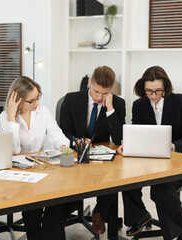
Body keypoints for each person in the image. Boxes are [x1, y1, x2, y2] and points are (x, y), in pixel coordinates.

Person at [116, 66, 182, 240]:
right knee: (125, 177)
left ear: (165, 88)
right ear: (143, 89)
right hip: (152, 161)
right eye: (149, 91)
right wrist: (127, 144)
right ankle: (139, 216)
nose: (153, 95)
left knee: (160, 189)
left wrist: (172, 146)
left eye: (158, 91)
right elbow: (137, 132)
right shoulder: (139, 105)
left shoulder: (180, 102)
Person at [0, 76, 70, 240]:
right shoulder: (4, 118)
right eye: (31, 101)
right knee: (33, 204)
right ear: (17, 99)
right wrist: (11, 117)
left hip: (39, 167)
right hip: (16, 173)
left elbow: (55, 133)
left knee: (56, 198)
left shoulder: (42, 111)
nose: (36, 103)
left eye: (38, 98)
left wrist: (63, 146)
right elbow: (13, 150)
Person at [59, 65, 126, 234]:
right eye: (96, 92)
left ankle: (100, 213)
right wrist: (76, 141)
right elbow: (63, 131)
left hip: (100, 155)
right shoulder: (71, 99)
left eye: (105, 93)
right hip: (74, 152)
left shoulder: (118, 103)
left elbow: (119, 139)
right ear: (89, 82)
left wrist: (110, 109)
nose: (99, 97)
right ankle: (64, 211)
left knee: (113, 176)